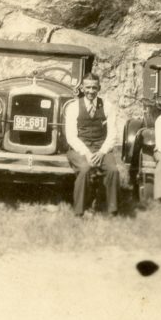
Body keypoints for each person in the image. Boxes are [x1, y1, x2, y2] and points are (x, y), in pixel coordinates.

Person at [64, 73, 121, 217]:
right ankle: (79, 211)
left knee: (113, 170)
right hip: (79, 149)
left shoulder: (107, 106)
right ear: (82, 88)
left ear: (99, 88)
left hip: (101, 148)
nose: (91, 91)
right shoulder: (73, 107)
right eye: (88, 87)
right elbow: (71, 136)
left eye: (94, 88)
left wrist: (102, 152)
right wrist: (87, 154)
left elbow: (112, 134)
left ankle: (112, 210)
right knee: (84, 169)